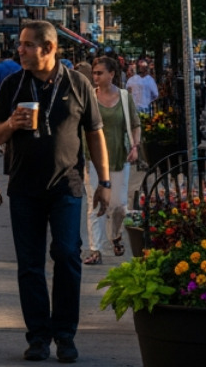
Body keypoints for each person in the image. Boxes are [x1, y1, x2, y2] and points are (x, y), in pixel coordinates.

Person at [0, 20, 110, 363]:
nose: (20, 50)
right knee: (30, 265)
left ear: (49, 48)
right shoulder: (13, 84)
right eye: (20, 44)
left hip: (66, 185)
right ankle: (38, 336)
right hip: (24, 187)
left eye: (27, 45)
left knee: (67, 255)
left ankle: (65, 334)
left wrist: (104, 183)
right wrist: (10, 124)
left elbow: (94, 133)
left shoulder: (77, 83)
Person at [83, 56, 139, 265]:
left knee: (118, 205)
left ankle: (115, 235)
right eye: (94, 73)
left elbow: (135, 124)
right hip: (94, 159)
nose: (95, 77)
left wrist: (135, 146)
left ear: (112, 74)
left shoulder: (124, 97)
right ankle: (95, 249)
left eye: (100, 73)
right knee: (95, 203)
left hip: (118, 156)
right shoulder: (89, 96)